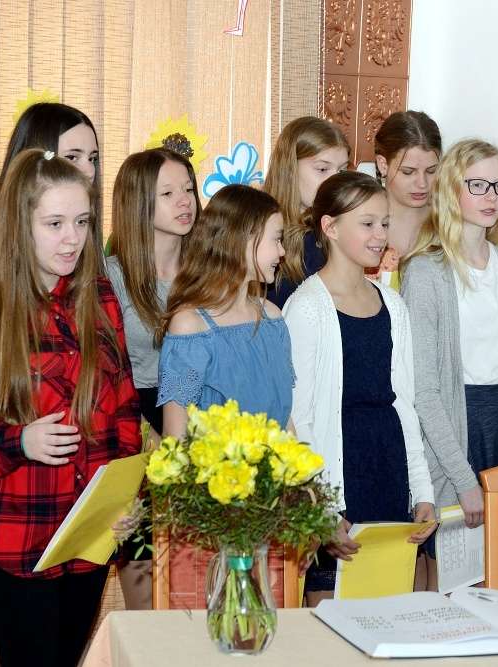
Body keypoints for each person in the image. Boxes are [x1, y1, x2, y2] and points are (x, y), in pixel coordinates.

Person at [0, 149, 140, 666]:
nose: (72, 238)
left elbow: (123, 410)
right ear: (18, 225)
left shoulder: (99, 296)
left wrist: (128, 496)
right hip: (11, 539)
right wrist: (19, 441)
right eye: (55, 224)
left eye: (82, 222)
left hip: (86, 540)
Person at [284, 172, 435, 604]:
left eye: (384, 223)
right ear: (330, 227)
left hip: (387, 471)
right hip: (337, 481)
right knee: (330, 616)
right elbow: (298, 420)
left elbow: (404, 405)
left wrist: (422, 490)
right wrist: (320, 508)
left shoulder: (393, 304)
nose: (380, 235)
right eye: (367, 224)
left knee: (392, 610)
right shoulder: (306, 308)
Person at [401, 138, 498, 589]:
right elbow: (425, 391)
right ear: (451, 189)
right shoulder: (426, 272)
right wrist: (462, 478)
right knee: (449, 584)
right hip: (454, 433)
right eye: (477, 184)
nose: (491, 197)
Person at [105, 147, 201, 610]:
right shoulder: (111, 276)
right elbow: (104, 374)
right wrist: (147, 439)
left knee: (196, 585)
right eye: (168, 193)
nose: (184, 201)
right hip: (134, 426)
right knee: (143, 587)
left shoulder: (208, 274)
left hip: (201, 425)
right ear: (138, 202)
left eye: (189, 189)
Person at [156, 184, 295, 436]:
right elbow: (175, 436)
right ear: (243, 239)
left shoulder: (272, 317)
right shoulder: (190, 327)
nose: (282, 251)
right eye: (276, 239)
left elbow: (285, 421)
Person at [264, 116, 350, 308]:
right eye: (322, 169)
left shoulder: (336, 230)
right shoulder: (255, 228)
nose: (335, 182)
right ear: (289, 168)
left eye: (342, 171)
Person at [370, 110, 442, 287]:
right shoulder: (358, 223)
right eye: (408, 172)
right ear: (383, 165)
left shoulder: (450, 226)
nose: (422, 183)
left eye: (431, 171)